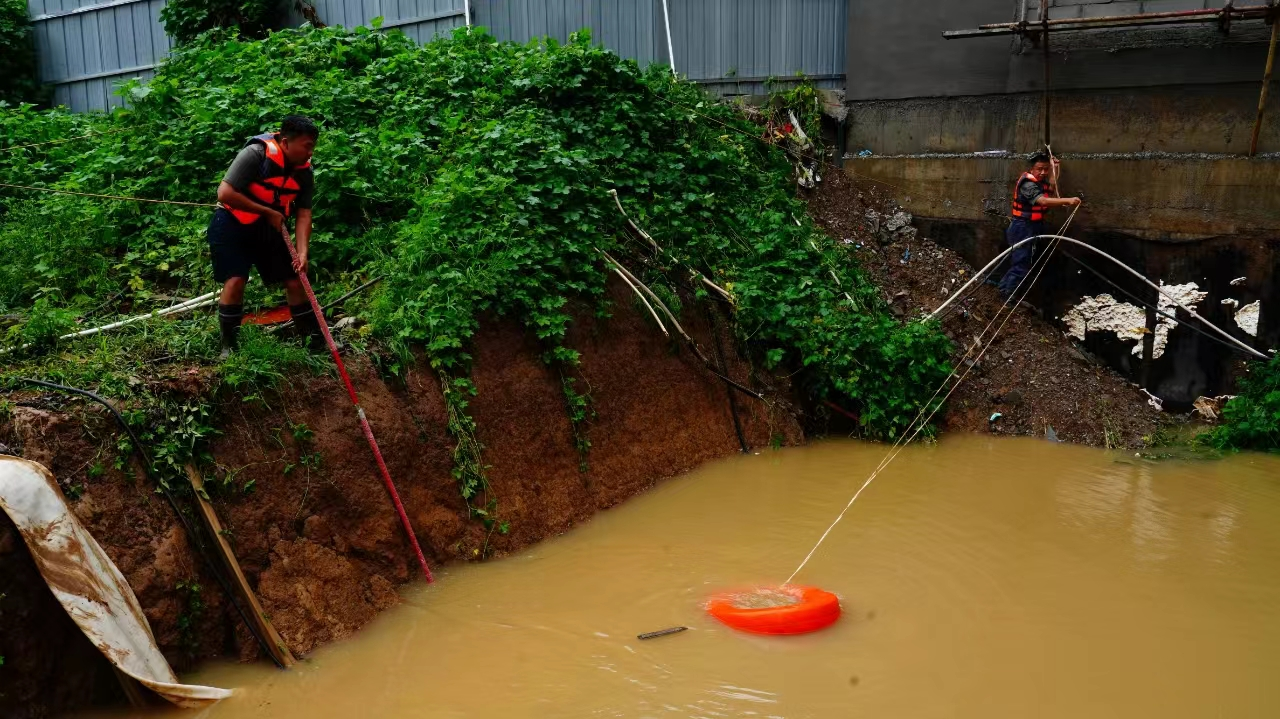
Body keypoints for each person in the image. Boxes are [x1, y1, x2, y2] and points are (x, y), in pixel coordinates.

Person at [208, 115, 323, 358]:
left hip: (270, 228)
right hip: (232, 223)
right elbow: (224, 193)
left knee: (295, 279)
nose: (310, 152)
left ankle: (313, 342)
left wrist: (302, 252)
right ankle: (229, 347)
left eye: (312, 146)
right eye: (307, 145)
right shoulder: (255, 154)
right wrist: (267, 211)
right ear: (285, 141)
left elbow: (303, 213)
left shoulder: (304, 172)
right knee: (236, 279)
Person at [996, 151, 1082, 300]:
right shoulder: (1028, 184)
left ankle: (1004, 290)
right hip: (1022, 227)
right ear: (1032, 169)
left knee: (1024, 262)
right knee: (1020, 265)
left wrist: (1055, 168)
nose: (1042, 172)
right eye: (1039, 169)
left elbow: (1052, 184)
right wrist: (1068, 201)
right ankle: (1005, 297)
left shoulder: (1040, 182)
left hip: (1033, 226)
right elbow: (1042, 201)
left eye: (1046, 169)